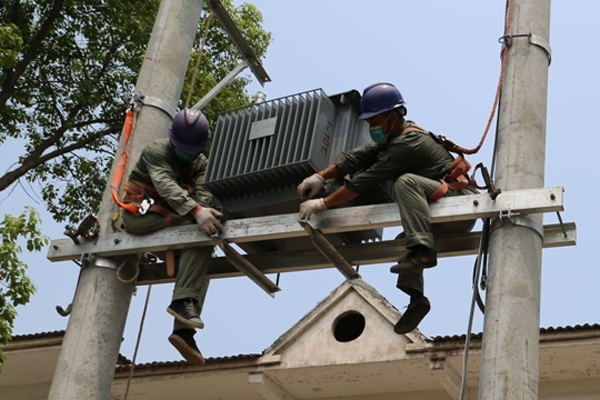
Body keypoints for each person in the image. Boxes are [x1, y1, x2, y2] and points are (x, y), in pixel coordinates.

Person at [297, 82, 476, 334]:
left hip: (459, 204)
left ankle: (424, 251)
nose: (371, 127)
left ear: (392, 116)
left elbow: (363, 181)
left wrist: (322, 203)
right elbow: (354, 158)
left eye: (374, 121)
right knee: (404, 241)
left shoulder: (408, 143)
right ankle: (416, 299)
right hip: (440, 212)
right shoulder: (392, 139)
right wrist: (319, 176)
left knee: (406, 182)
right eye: (369, 122)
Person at [121, 108, 223, 365]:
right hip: (141, 216)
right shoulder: (157, 151)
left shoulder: (201, 164)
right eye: (184, 149)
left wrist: (203, 210)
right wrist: (197, 212)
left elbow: (204, 195)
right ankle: (182, 301)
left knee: (202, 247)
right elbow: (165, 184)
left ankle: (184, 331)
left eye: (193, 150)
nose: (188, 154)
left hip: (175, 219)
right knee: (201, 225)